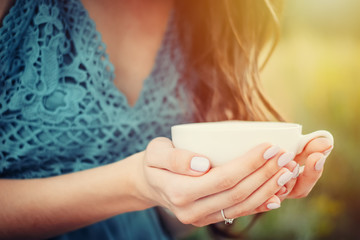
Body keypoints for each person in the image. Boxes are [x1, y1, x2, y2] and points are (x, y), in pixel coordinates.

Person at [0, 0, 333, 239]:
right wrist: (135, 184)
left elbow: (162, 217)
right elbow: (141, 191)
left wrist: (224, 196)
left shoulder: (215, 17)